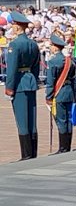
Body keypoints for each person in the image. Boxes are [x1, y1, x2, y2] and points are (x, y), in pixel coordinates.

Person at [4, 11, 40, 160]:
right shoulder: (33, 44)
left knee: (22, 120)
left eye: (13, 24)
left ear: (18, 27)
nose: (11, 27)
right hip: (30, 80)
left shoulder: (14, 44)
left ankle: (26, 154)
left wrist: (9, 88)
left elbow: (11, 69)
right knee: (32, 119)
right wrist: (34, 79)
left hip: (19, 83)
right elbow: (36, 66)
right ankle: (33, 152)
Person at [44, 33, 76, 153]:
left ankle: (63, 147)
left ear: (55, 47)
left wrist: (49, 96)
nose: (50, 48)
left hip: (59, 93)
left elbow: (51, 81)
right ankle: (67, 145)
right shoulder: (69, 61)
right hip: (69, 92)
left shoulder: (53, 61)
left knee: (61, 119)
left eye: (51, 45)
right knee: (69, 119)